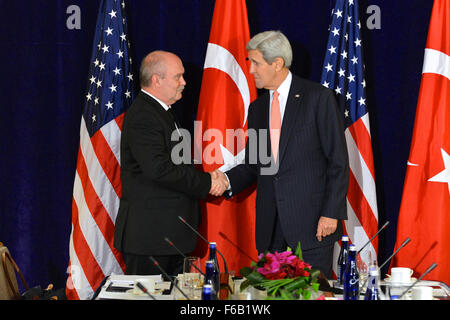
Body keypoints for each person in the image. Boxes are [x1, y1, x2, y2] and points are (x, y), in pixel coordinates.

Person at [216, 31, 349, 278]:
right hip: (271, 227)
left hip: (313, 225)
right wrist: (224, 179)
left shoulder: (317, 98)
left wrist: (331, 212)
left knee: (312, 293)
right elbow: (256, 163)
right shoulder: (257, 109)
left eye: (256, 63)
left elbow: (337, 161)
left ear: (277, 63)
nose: (251, 70)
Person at [114, 50, 227, 277]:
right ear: (157, 79)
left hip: (166, 238)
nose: (184, 82)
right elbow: (159, 169)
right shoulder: (145, 115)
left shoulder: (162, 112)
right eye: (178, 77)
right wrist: (208, 182)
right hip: (151, 240)